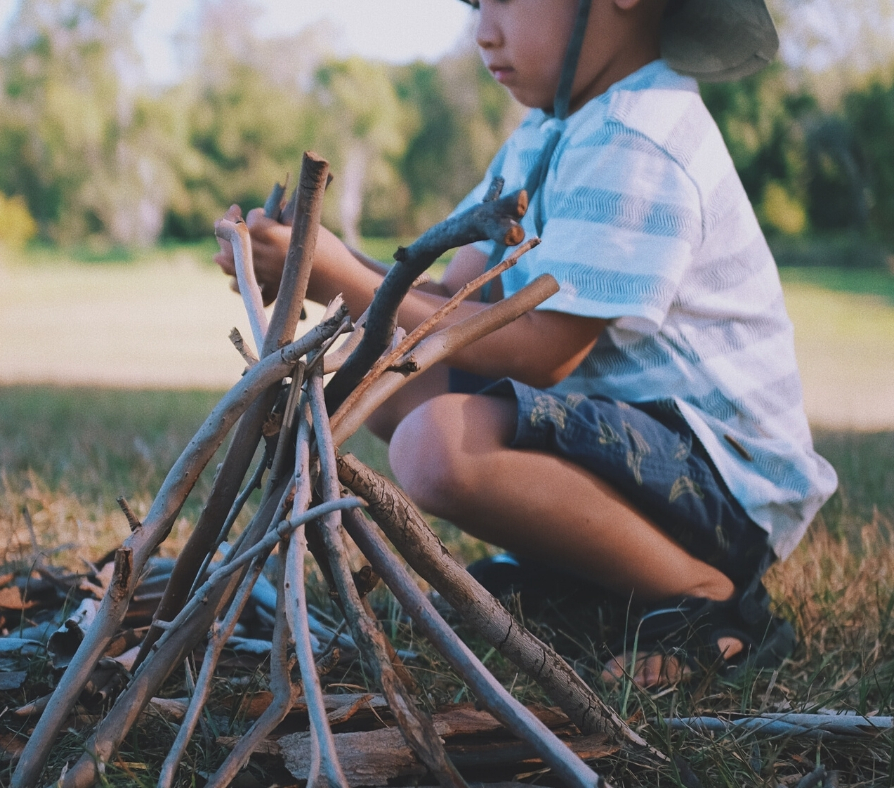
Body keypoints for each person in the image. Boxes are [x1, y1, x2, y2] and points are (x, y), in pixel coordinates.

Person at [215, 0, 837, 688]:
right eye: (479, 5)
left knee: (434, 447)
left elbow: (543, 349)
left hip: (723, 483)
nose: (483, 29)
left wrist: (334, 267)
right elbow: (452, 297)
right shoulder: (551, 132)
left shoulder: (643, 134)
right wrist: (307, 260)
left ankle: (710, 600)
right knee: (390, 377)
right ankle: (585, 580)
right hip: (634, 449)